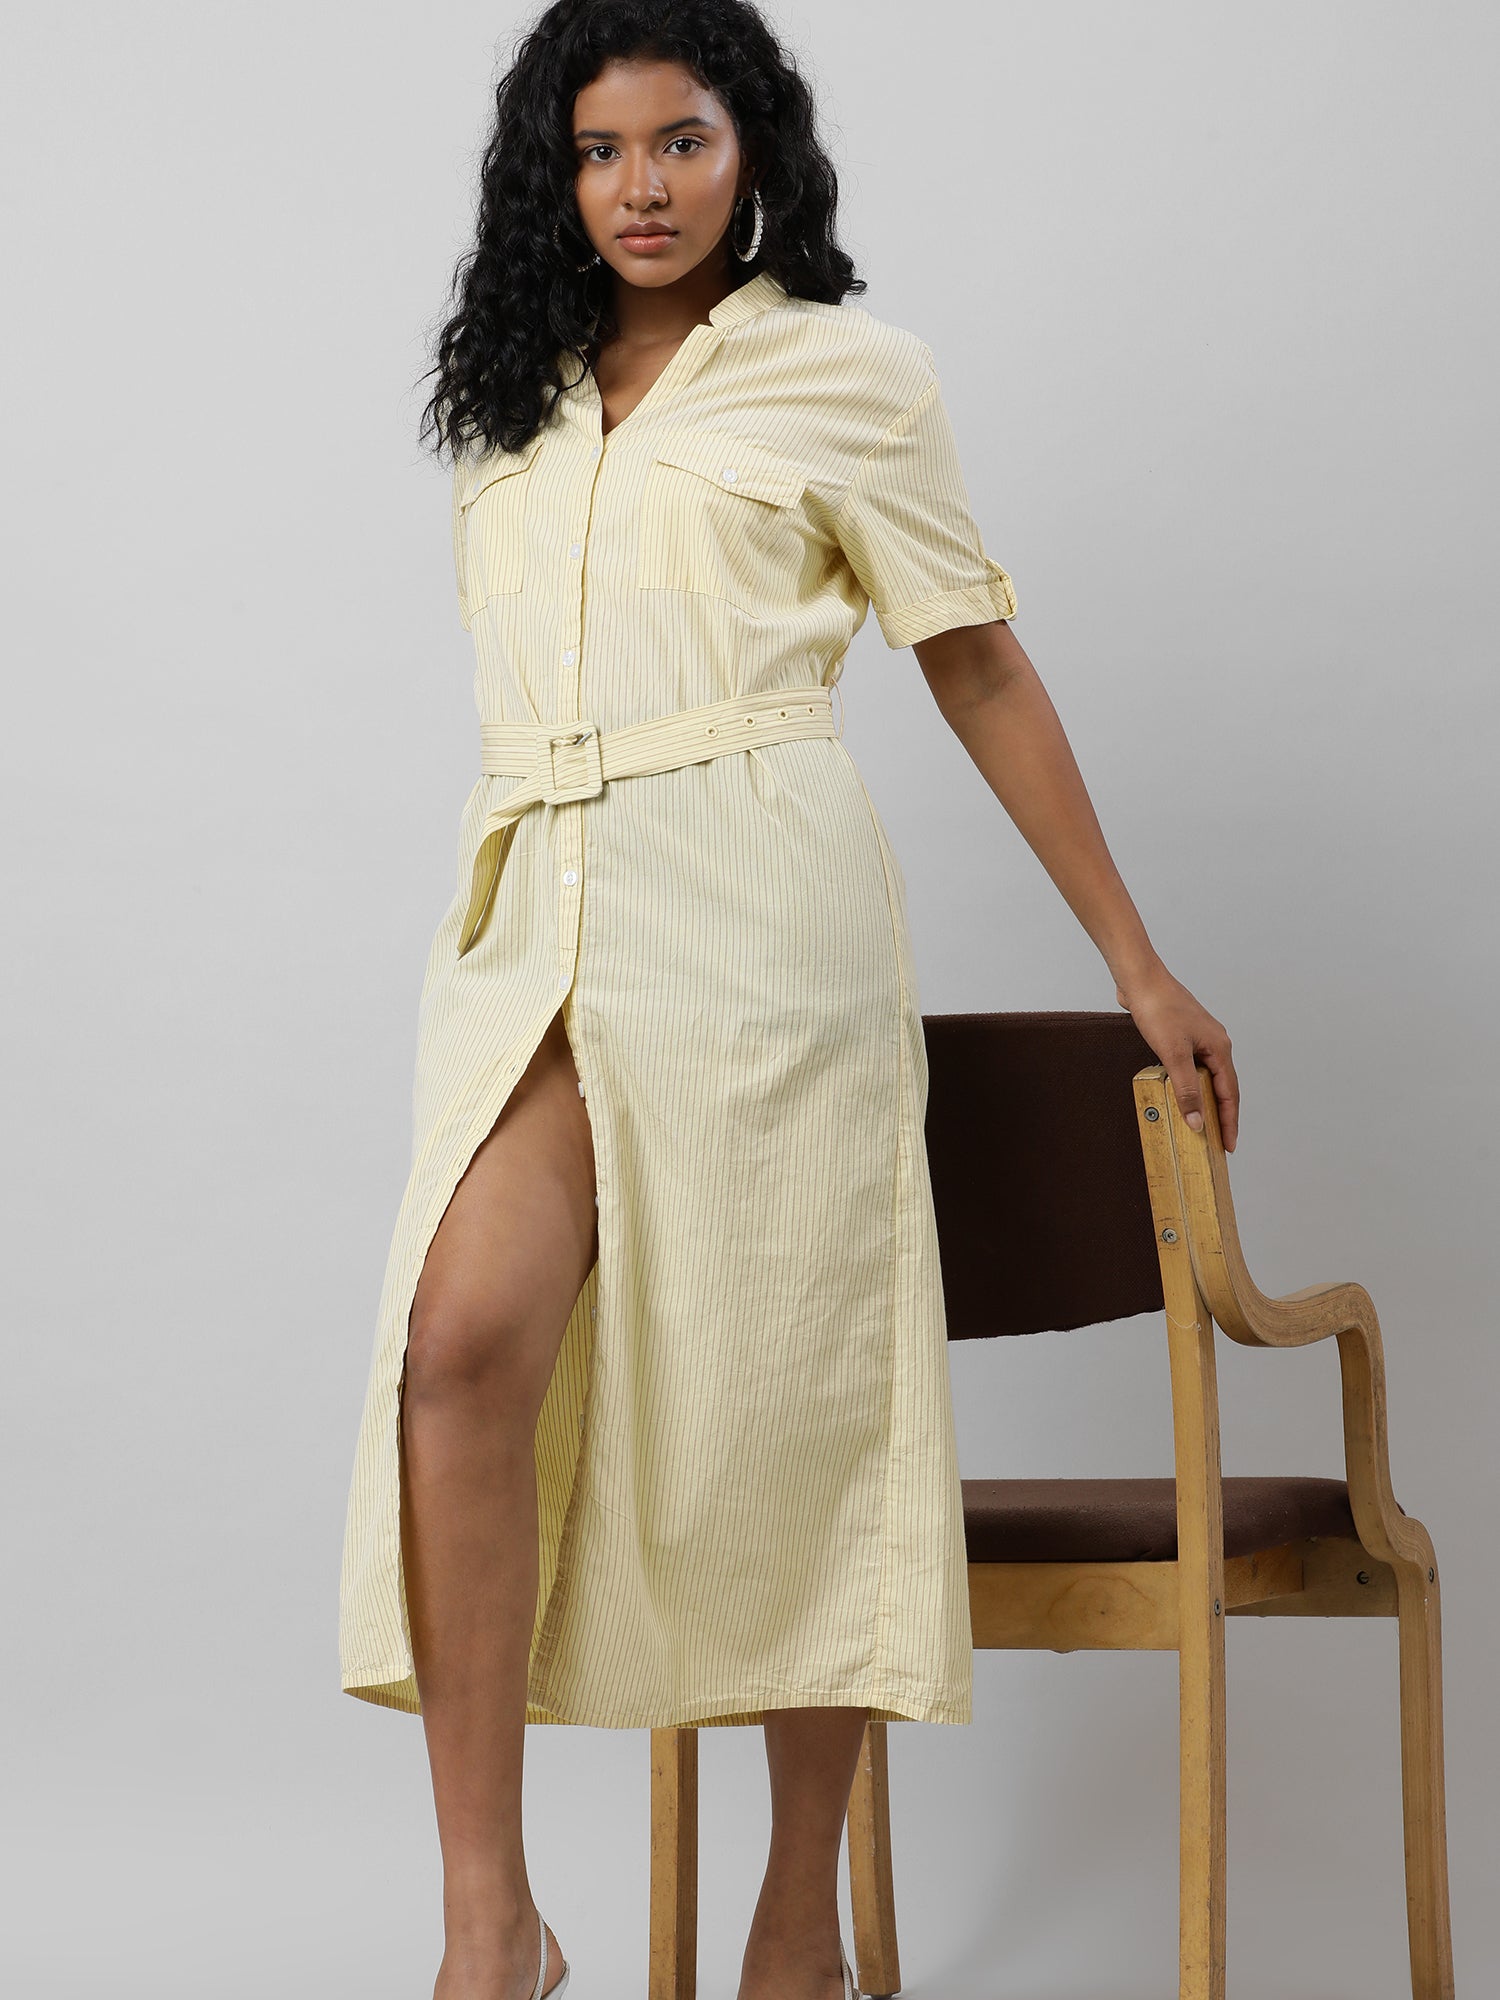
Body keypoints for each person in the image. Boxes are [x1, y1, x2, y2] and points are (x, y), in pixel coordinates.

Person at [338, 5, 1240, 1999]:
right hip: (538, 925)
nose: (642, 187)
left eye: (681, 141)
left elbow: (974, 659)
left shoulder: (851, 375)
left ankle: (795, 1924)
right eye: (599, 151)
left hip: (765, 927)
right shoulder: (510, 395)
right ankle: (492, 1927)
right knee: (458, 1347)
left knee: (792, 1405)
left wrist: (1135, 959)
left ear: (754, 149)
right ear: (553, 174)